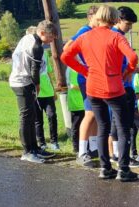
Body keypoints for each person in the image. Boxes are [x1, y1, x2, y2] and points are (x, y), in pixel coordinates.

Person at [61, 5, 139, 181]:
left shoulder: (85, 36)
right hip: (113, 87)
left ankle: (105, 168)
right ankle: (124, 169)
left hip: (92, 87)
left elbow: (65, 56)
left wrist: (84, 71)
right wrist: (127, 72)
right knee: (123, 127)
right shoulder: (116, 37)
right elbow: (133, 58)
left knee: (102, 126)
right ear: (115, 19)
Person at [9, 20, 57, 163]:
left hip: (22, 80)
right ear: (42, 33)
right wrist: (36, 85)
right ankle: (27, 151)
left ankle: (34, 148)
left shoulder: (28, 37)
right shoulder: (36, 46)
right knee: (26, 116)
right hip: (22, 82)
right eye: (50, 37)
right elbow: (34, 69)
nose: (51, 41)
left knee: (32, 116)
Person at [108, 6, 139, 168]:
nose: (130, 28)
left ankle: (116, 154)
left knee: (116, 121)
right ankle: (124, 157)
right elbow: (122, 63)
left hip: (117, 84)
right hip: (123, 85)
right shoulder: (117, 36)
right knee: (125, 124)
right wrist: (132, 70)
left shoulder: (111, 35)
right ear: (118, 20)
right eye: (128, 24)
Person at [66, 5, 98, 166]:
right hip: (86, 78)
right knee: (90, 114)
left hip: (97, 77)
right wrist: (83, 68)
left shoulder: (97, 32)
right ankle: (82, 152)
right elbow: (67, 49)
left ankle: (93, 147)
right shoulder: (84, 30)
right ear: (90, 17)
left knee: (97, 115)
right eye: (98, 18)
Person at [35, 47, 59, 151]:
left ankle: (54, 142)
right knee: (38, 120)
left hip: (48, 92)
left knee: (52, 116)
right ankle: (42, 142)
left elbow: (48, 72)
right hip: (36, 93)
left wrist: (53, 90)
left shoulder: (44, 52)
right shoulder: (29, 53)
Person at [65, 66, 85, 154]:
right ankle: (76, 147)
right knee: (76, 125)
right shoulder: (72, 69)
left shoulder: (79, 68)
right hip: (76, 102)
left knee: (83, 125)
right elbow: (73, 86)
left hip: (83, 101)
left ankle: (83, 146)